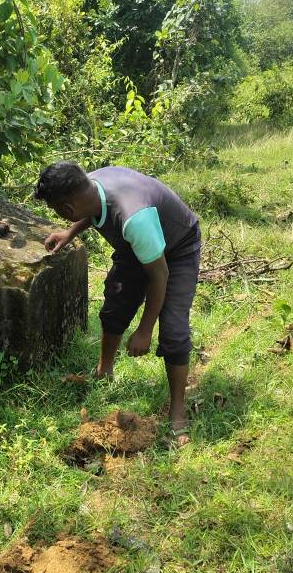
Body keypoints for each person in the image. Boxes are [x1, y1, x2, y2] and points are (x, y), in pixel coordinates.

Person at [37, 161, 200, 446]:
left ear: (67, 208)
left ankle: (177, 410)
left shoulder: (133, 217)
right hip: (138, 245)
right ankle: (104, 371)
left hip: (178, 248)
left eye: (56, 210)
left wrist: (145, 330)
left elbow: (159, 275)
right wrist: (70, 232)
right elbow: (93, 211)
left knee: (174, 329)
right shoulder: (90, 185)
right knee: (116, 301)